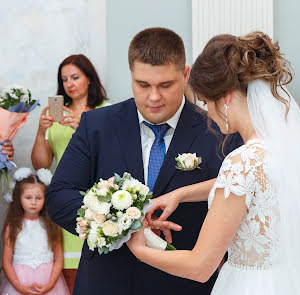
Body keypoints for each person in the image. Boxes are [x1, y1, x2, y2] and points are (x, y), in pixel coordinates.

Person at [126, 32, 300, 294]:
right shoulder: (293, 152)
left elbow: (201, 266)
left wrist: (138, 248)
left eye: (206, 102)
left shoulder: (242, 161)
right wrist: (182, 193)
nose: (209, 115)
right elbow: (254, 184)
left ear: (225, 98)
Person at [45, 27, 242, 295]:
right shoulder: (97, 125)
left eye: (165, 85)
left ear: (185, 76)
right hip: (106, 281)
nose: (154, 97)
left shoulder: (220, 131)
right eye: (143, 85)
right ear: (131, 76)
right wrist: (119, 221)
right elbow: (58, 195)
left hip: (182, 285)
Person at [31, 54, 109, 292]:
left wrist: (82, 127)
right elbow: (41, 165)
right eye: (64, 79)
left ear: (89, 79)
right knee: (68, 277)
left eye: (75, 77)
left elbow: (113, 154)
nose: (69, 84)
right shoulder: (54, 114)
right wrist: (40, 132)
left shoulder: (106, 111)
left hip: (99, 199)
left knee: (100, 271)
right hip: (64, 200)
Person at [0, 168, 69, 295]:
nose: (33, 202)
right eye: (28, 197)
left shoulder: (51, 226)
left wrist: (50, 285)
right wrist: (19, 287)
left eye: (38, 198)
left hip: (48, 281)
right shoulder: (13, 227)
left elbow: (58, 259)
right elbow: (6, 261)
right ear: (18, 198)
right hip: (19, 281)